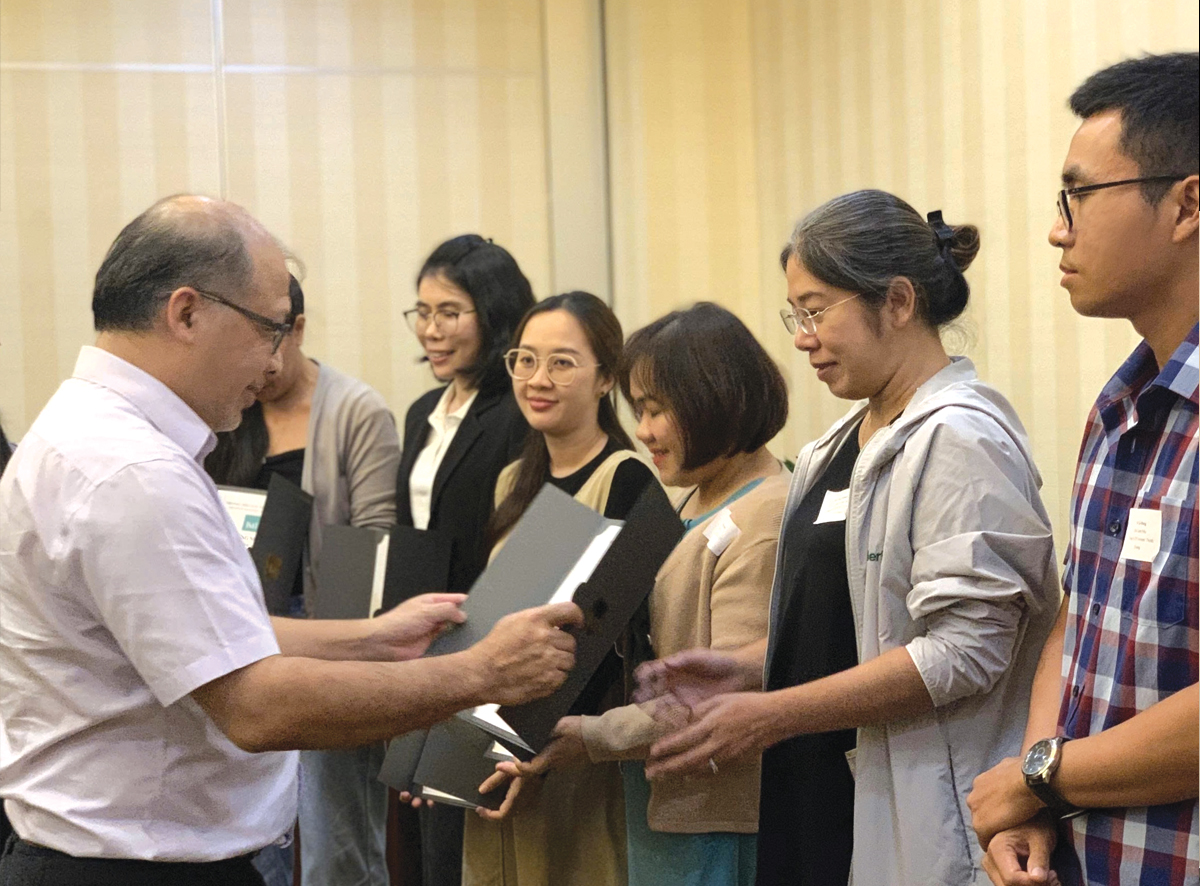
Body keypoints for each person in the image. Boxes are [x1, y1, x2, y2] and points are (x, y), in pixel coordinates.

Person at [0, 195, 582, 886]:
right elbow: (255, 704)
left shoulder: (96, 433)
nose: (276, 361)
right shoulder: (134, 472)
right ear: (186, 313)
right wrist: (480, 673)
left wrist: (373, 639)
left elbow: (212, 634)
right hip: (136, 866)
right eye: (269, 329)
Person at [636, 190, 1061, 886]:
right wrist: (750, 668)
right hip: (816, 788)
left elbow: (964, 653)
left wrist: (773, 712)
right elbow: (849, 629)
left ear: (897, 302)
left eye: (815, 310)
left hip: (918, 803)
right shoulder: (839, 441)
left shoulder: (960, 438)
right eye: (795, 314)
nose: (802, 337)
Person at [968, 52, 1199, 886]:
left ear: (1187, 203)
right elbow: (1083, 614)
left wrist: (1040, 778)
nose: (1058, 228)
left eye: (1078, 195)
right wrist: (1039, 792)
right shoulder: (1121, 405)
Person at [482, 302, 791, 886]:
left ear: (715, 399)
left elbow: (723, 696)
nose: (643, 430)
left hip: (715, 811)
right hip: (664, 795)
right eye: (638, 410)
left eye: (656, 410)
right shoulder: (688, 499)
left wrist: (588, 734)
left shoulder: (764, 515)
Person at [206, 274, 403, 886]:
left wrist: (344, 643)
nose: (263, 366)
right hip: (238, 631)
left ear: (297, 329)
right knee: (246, 826)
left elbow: (375, 538)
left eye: (273, 341)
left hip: (327, 633)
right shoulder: (225, 405)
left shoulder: (352, 408)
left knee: (335, 838)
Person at [462, 291, 663, 886]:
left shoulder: (627, 479)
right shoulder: (509, 481)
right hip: (495, 749)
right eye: (524, 359)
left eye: (562, 362)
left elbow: (615, 642)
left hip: (571, 757)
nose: (537, 379)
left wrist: (532, 750)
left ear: (606, 379)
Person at [394, 234, 536, 886]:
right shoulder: (425, 410)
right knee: (419, 850)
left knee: (464, 854)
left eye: (449, 312)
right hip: (416, 648)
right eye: (422, 312)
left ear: (494, 313)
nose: (431, 330)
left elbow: (514, 557)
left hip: (482, 652)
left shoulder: (516, 414)